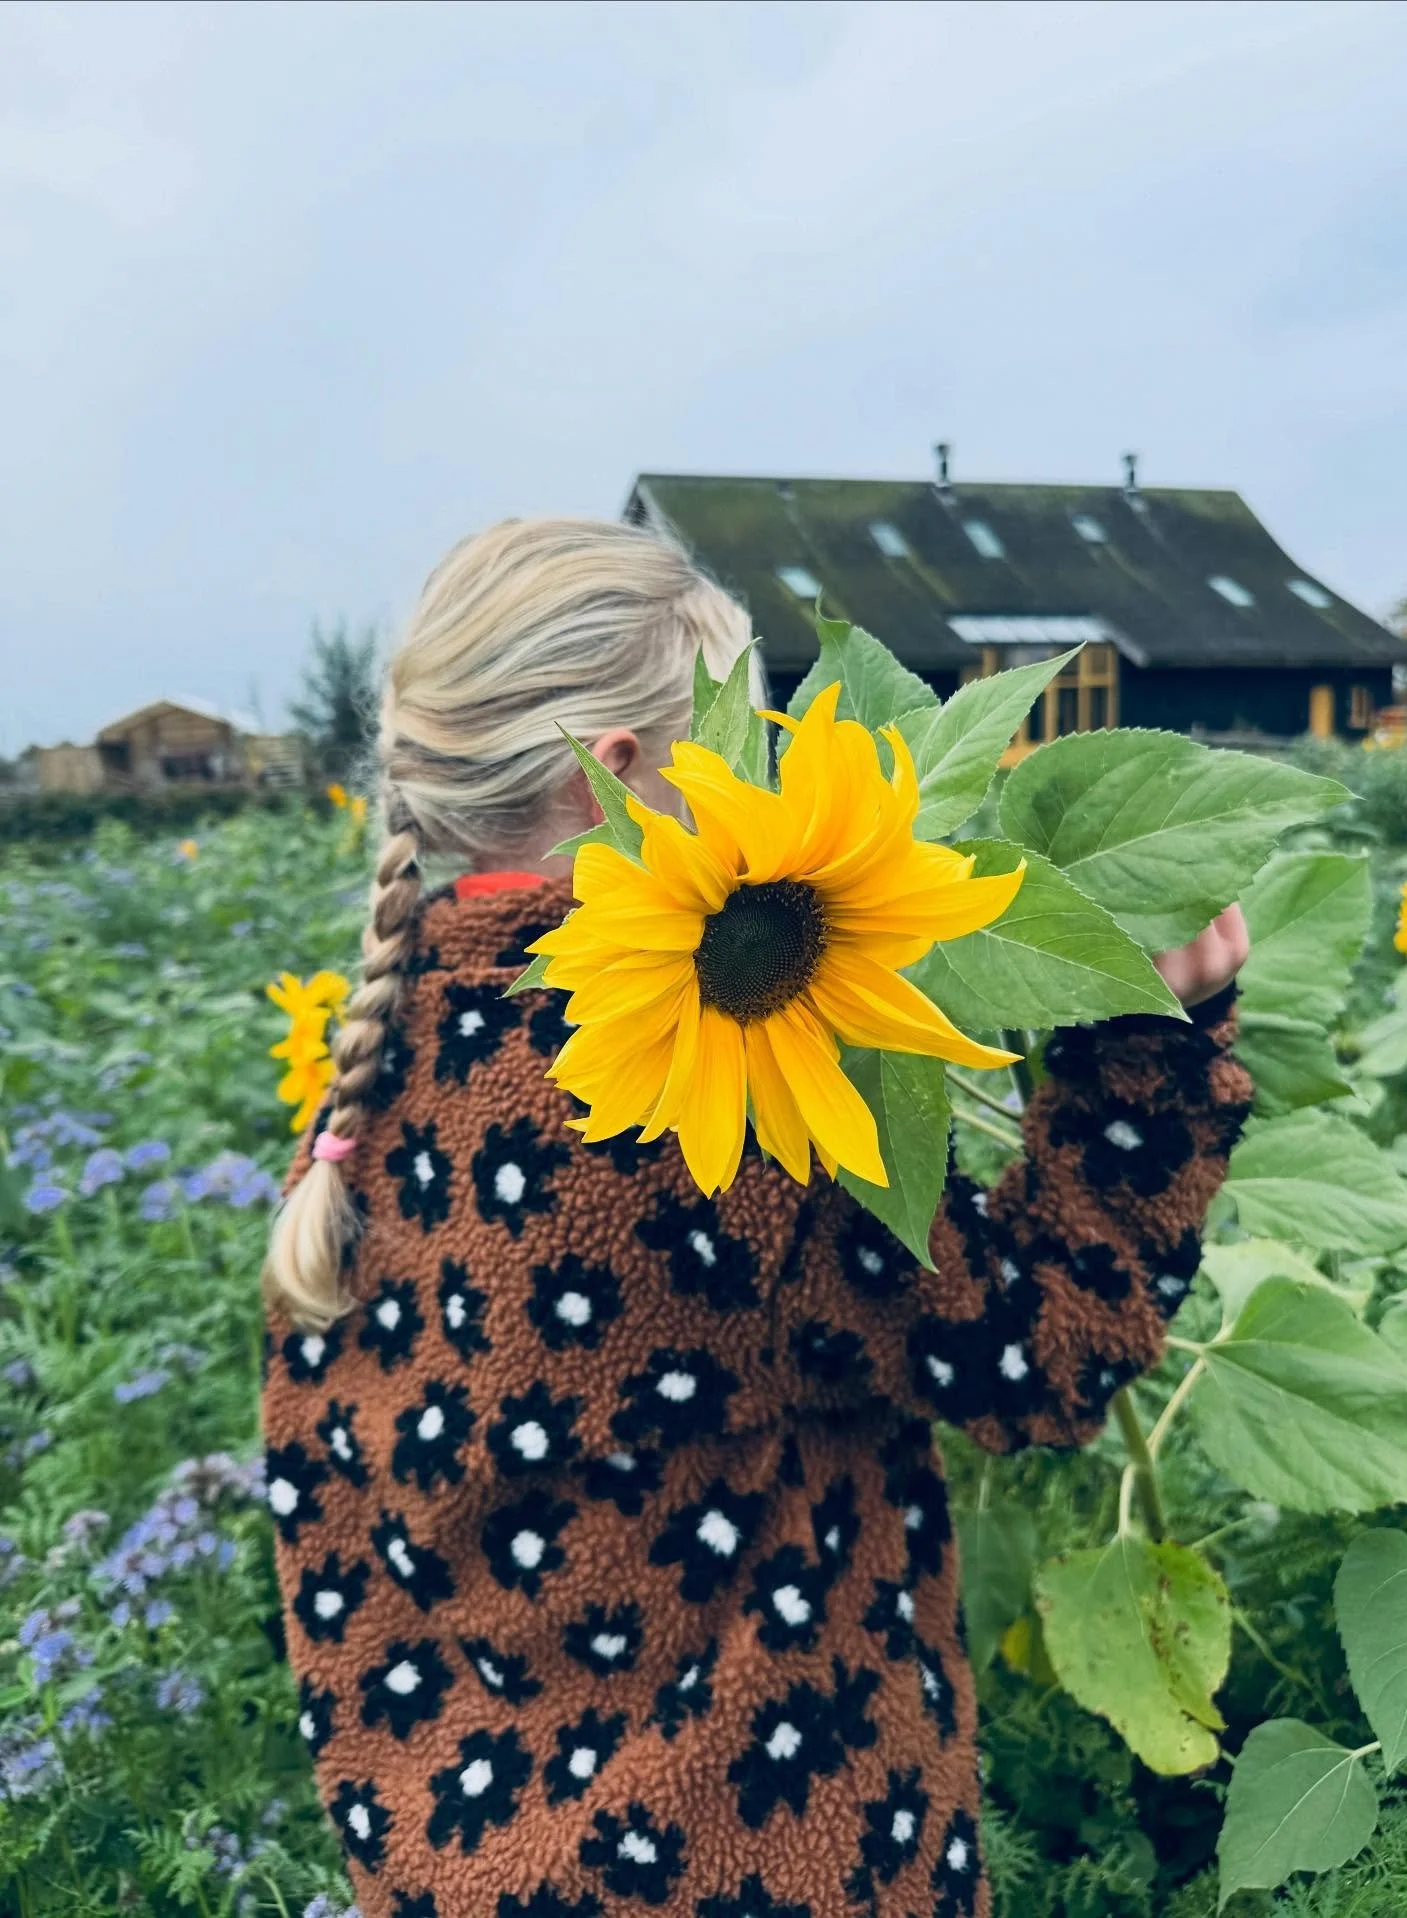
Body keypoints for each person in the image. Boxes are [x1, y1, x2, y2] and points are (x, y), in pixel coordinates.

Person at [260, 517, 1250, 1918]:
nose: (765, 782)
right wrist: (1150, 1046)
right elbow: (1043, 1350)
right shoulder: (693, 1104)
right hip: (764, 1859)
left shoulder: (370, 1079)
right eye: (733, 744)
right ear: (618, 774)